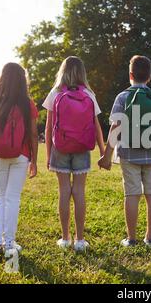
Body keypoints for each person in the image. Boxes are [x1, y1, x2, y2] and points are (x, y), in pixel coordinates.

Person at [98, 55, 151, 248]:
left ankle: (131, 238)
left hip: (128, 154)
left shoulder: (122, 97)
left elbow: (115, 128)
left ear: (130, 75)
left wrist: (106, 156)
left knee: (132, 194)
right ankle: (150, 238)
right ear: (149, 77)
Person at [42, 56, 105, 252]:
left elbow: (48, 127)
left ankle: (65, 238)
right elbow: (96, 126)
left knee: (63, 191)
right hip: (82, 148)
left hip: (60, 147)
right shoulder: (88, 93)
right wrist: (103, 151)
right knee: (79, 191)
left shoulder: (55, 92)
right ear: (82, 73)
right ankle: (80, 240)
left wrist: (47, 154)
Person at [0, 63, 39, 254]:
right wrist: (34, 160)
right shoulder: (27, 103)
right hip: (21, 154)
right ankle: (9, 244)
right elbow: (33, 134)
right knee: (13, 198)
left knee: (1, 197)